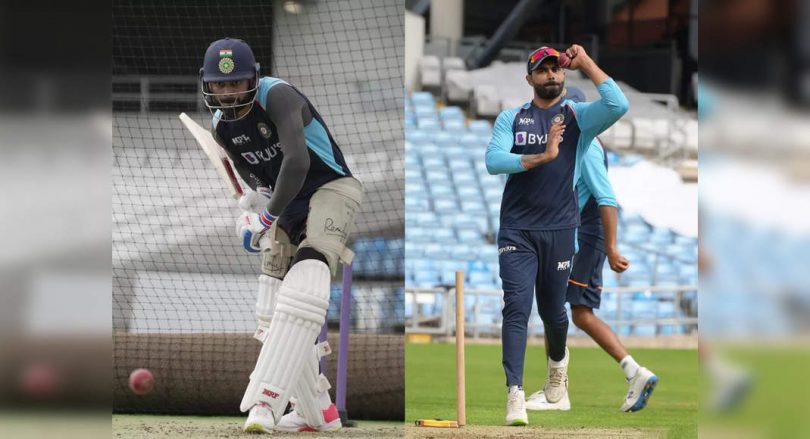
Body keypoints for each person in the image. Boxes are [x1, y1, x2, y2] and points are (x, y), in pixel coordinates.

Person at [200, 37, 363, 433]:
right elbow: (259, 177)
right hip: (287, 202)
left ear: (253, 79)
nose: (228, 92)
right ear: (208, 84)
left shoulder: (277, 95)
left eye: (236, 82)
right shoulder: (221, 127)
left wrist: (265, 217)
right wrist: (256, 202)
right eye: (220, 84)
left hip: (330, 187)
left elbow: (297, 160)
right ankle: (317, 410)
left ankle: (266, 402)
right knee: (271, 305)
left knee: (309, 279)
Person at [485, 45, 628, 426]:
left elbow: (618, 104)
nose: (550, 74)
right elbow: (493, 161)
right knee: (516, 308)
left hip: (561, 230)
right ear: (529, 78)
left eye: (556, 69)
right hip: (517, 230)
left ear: (563, 75)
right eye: (542, 70)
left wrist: (586, 63)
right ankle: (515, 393)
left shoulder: (578, 117)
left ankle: (557, 365)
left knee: (553, 313)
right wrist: (542, 157)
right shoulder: (512, 118)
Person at [522, 88, 658, 411]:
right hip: (580, 232)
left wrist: (611, 248)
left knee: (563, 310)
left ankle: (563, 391)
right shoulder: (576, 144)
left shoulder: (589, 147)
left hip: (586, 234)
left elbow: (607, 198)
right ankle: (625, 375)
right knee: (570, 312)